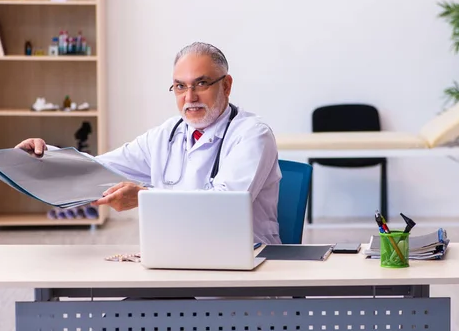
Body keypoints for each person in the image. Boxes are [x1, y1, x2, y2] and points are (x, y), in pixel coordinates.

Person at [15, 42, 282, 245]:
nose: (189, 97)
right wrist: (44, 155)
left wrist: (144, 196)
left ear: (226, 86)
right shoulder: (167, 134)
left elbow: (227, 206)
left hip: (242, 269)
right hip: (176, 260)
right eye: (180, 86)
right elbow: (98, 168)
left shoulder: (251, 134)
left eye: (201, 84)